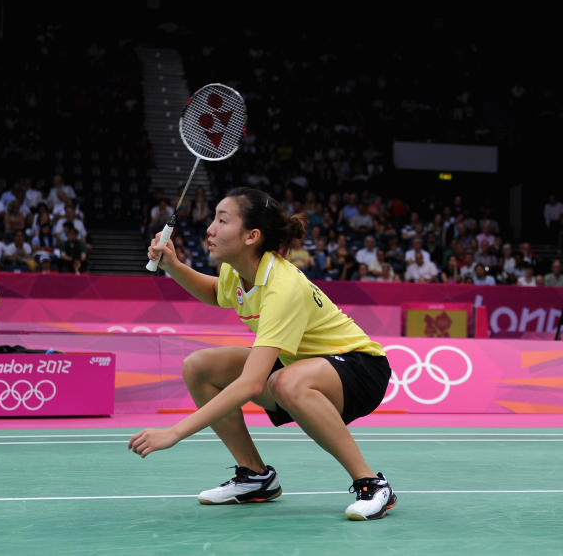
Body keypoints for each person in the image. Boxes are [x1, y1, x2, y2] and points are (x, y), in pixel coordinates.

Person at [129, 187, 397, 520]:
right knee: (199, 367)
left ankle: (372, 484)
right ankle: (255, 476)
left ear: (252, 236)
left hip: (359, 368)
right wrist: (173, 265)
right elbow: (217, 292)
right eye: (214, 218)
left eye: (223, 220)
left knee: (286, 382)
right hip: (302, 366)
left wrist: (175, 432)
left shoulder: (282, 286)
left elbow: (252, 383)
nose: (210, 228)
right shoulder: (236, 269)